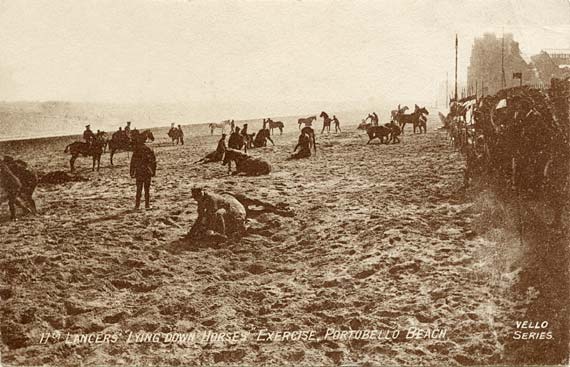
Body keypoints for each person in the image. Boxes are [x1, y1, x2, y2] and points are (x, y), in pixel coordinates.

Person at [129, 136, 157, 210]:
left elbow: (133, 163)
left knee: (139, 189)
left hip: (139, 171)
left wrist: (132, 172)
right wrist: (153, 171)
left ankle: (137, 205)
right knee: (147, 189)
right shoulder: (149, 149)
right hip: (147, 171)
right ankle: (147, 205)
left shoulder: (136, 150)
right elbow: (153, 162)